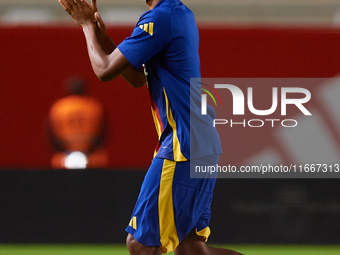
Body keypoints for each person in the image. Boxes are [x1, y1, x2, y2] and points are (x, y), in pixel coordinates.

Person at [59, 0, 243, 254]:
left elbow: (104, 70)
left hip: (183, 143)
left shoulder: (159, 18)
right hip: (201, 141)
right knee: (191, 250)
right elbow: (136, 77)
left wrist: (86, 25)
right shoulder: (178, 13)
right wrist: (102, 33)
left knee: (140, 245)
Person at [48, 76, 108, 169]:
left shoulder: (59, 107)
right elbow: (104, 132)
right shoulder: (94, 106)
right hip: (91, 155)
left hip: (63, 157)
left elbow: (50, 133)